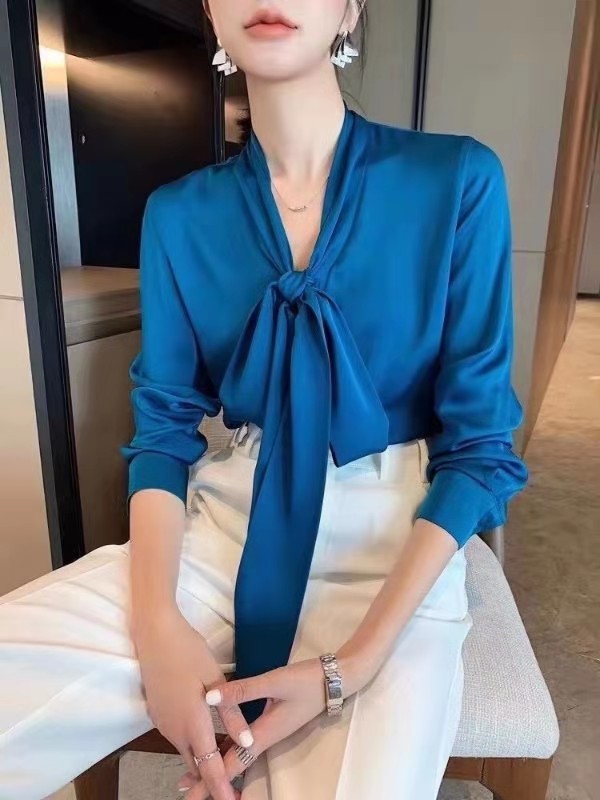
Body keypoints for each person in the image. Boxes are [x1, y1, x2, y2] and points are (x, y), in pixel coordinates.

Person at [0, 1, 529, 798]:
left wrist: (353, 665)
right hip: (223, 527)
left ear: (350, 7)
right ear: (211, 10)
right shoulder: (179, 215)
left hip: (395, 541)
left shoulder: (455, 179)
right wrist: (158, 625)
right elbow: (163, 434)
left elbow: (480, 449)